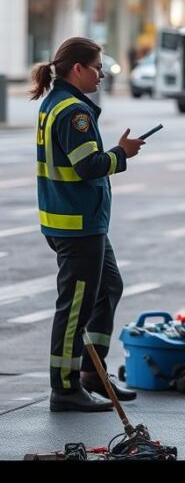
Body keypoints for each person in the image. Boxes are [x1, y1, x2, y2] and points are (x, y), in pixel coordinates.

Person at [29, 36, 145, 412]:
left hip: (79, 222)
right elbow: (89, 166)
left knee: (109, 286)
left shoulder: (59, 103)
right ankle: (64, 387)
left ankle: (92, 373)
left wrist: (111, 152)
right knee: (75, 306)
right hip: (77, 226)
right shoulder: (73, 112)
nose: (101, 74)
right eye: (96, 67)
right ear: (76, 69)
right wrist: (121, 154)